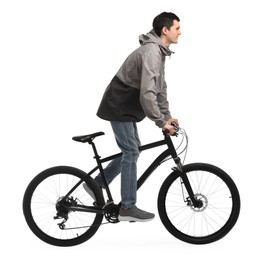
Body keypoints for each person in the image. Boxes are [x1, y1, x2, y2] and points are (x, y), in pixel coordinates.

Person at [85, 12, 181, 222]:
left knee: (133, 149)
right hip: (119, 104)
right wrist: (160, 122)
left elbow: (160, 88)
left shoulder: (160, 52)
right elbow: (147, 92)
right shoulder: (151, 52)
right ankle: (127, 207)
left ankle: (96, 184)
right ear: (165, 30)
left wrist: (167, 116)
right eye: (177, 28)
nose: (180, 32)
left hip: (126, 105)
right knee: (131, 151)